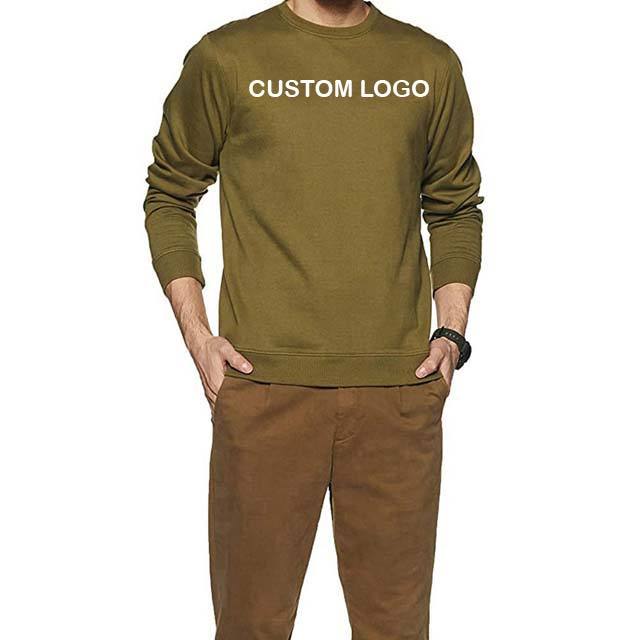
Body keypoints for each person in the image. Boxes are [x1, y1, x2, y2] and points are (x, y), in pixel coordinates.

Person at [143, 1, 483, 637]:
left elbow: (455, 206)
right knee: (250, 626)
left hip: (398, 389)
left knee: (396, 630)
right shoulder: (226, 57)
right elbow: (169, 193)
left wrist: (451, 332)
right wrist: (198, 338)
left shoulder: (429, 64)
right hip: (263, 385)